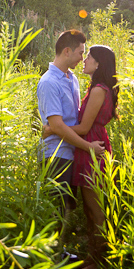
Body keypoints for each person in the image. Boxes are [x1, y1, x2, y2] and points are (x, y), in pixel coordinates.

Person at [44, 45, 118, 269]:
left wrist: (53, 130)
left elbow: (85, 127)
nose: (84, 60)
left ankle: (102, 262)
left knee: (96, 210)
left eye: (89, 57)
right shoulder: (95, 87)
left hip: (91, 148)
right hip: (88, 147)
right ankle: (93, 255)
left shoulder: (98, 89)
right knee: (89, 208)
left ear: (98, 65)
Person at [36, 30, 105, 256]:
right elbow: (56, 126)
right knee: (55, 208)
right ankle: (51, 261)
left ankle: (59, 253)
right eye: (79, 53)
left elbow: (71, 120)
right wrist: (88, 147)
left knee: (66, 207)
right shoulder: (48, 82)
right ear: (67, 51)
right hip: (55, 154)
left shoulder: (72, 78)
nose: (81, 58)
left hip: (70, 153)